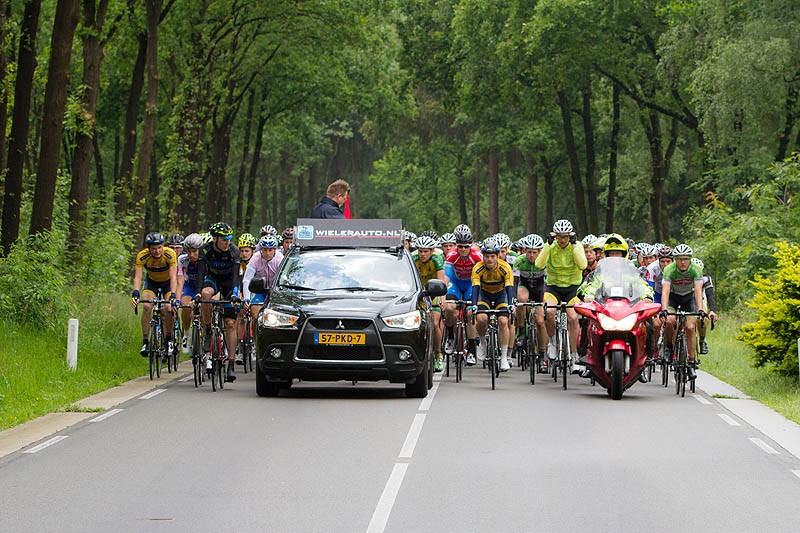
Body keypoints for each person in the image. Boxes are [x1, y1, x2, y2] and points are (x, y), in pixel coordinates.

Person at [535, 219, 588, 374]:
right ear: (555, 236)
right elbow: (539, 265)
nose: (562, 240)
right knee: (550, 312)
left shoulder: (576, 246)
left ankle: (574, 355)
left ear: (570, 235)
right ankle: (552, 341)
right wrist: (547, 245)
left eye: (565, 236)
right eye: (559, 236)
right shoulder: (551, 246)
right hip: (553, 287)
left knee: (573, 318)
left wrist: (575, 246)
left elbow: (583, 265)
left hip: (572, 288)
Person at [196, 222, 241, 383]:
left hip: (229, 284)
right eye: (223, 239)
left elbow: (236, 277)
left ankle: (231, 363)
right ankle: (208, 329)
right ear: (214, 239)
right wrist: (197, 293)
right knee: (205, 294)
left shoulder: (234, 251)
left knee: (230, 323)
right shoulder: (205, 250)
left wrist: (235, 294)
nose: (227, 242)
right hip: (212, 280)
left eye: (229, 239)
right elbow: (200, 274)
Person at [659, 244, 706, 380]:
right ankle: (668, 347)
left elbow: (698, 291)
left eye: (686, 259)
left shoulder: (696, 269)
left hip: (689, 298)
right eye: (679, 259)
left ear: (690, 259)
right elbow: (665, 291)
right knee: (669, 321)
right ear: (675, 260)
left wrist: (700, 309)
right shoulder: (669, 270)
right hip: (673, 298)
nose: (683, 262)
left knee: (690, 327)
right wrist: (664, 309)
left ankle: (691, 363)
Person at [468, 237, 515, 371]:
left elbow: (509, 288)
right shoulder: (478, 268)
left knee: (503, 321)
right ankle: (482, 342)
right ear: (483, 256)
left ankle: (504, 357)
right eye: (487, 256)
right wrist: (474, 304)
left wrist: (511, 304)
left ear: (497, 256)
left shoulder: (505, 267)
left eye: (492, 256)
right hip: (485, 295)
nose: (489, 259)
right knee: (481, 319)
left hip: (501, 295)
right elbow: (475, 288)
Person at [131, 232, 178, 357]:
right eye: (154, 248)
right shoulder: (142, 256)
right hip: (152, 283)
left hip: (167, 283)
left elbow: (173, 277)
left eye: (159, 247)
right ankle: (146, 341)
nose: (157, 251)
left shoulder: (170, 254)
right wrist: (135, 292)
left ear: (163, 246)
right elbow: (138, 277)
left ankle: (168, 339)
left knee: (168, 308)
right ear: (148, 248)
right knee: (146, 306)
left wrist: (173, 294)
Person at [412, 235, 446, 372]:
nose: (422, 254)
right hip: (420, 291)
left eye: (426, 251)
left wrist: (442, 298)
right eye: (420, 251)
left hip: (434, 291)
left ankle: (438, 354)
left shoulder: (437, 260)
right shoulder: (413, 259)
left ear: (432, 251)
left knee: (434, 320)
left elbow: (441, 281)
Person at [176, 233, 205, 354]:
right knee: (186, 306)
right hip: (188, 285)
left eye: (194, 251)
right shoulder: (182, 259)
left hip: (202, 285)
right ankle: (187, 335)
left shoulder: (205, 259)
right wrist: (177, 300)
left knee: (205, 307)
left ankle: (205, 335)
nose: (191, 255)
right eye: (188, 251)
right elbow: (180, 281)